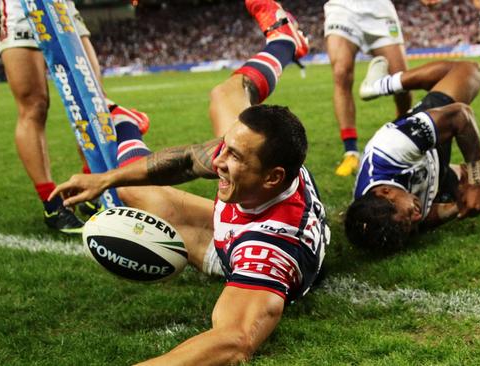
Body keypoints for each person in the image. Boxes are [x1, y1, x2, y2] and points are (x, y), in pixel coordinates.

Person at [51, 1, 330, 364]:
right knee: (224, 95)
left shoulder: (268, 251)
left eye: (235, 157)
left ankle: (124, 123)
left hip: (238, 244)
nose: (219, 162)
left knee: (132, 194)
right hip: (246, 210)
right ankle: (285, 37)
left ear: (273, 177)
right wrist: (104, 179)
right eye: (225, 149)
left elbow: (234, 342)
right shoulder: (256, 163)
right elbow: (184, 160)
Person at [0, 0, 147, 233]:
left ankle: (94, 191)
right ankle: (52, 204)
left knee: (93, 99)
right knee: (34, 105)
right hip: (17, 7)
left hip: (61, 5)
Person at [345, 58, 480, 252]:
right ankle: (450, 178)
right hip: (434, 174)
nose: (416, 218)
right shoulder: (378, 218)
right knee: (466, 194)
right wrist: (457, 208)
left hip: (424, 147)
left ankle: (379, 85)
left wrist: (477, 181)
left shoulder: (392, 148)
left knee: (470, 71)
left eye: (409, 215)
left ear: (385, 192)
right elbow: (420, 221)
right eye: (409, 226)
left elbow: (461, 116)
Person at [323, 0, 413, 177]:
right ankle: (351, 152)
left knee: (402, 80)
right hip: (342, 7)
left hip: (378, 8)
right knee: (341, 72)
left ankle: (402, 139)